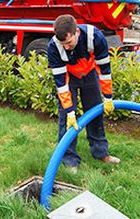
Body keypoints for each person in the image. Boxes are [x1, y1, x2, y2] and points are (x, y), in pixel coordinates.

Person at [47, 14, 120, 173]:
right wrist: (70, 111)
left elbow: (105, 71)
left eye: (69, 42)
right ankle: (70, 160)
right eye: (63, 44)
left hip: (89, 73)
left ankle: (101, 153)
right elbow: (61, 84)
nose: (66, 47)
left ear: (76, 33)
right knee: (67, 119)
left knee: (94, 112)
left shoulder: (95, 37)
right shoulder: (53, 47)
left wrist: (108, 98)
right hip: (69, 78)